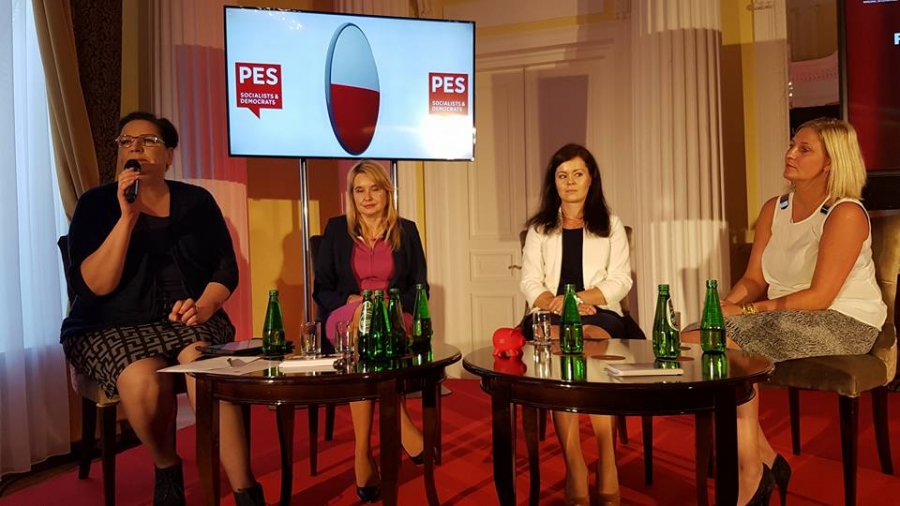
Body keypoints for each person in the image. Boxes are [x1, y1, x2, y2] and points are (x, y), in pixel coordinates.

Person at [60, 112, 263, 506]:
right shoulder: (95, 204)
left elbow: (225, 269)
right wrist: (127, 218)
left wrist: (204, 306)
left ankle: (246, 489)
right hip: (110, 325)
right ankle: (167, 464)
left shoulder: (197, 201)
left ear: (169, 155)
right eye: (126, 141)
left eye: (148, 140)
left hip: (190, 320)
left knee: (203, 368)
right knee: (143, 382)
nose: (135, 147)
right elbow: (93, 287)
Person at [689, 118, 886, 505]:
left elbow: (819, 297)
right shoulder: (773, 209)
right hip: (778, 313)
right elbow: (754, 278)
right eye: (792, 144)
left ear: (830, 162)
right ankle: (763, 458)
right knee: (695, 336)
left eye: (804, 149)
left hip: (844, 321)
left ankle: (750, 473)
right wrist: (725, 306)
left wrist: (746, 312)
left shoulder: (845, 212)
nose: (790, 153)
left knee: (723, 346)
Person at [520, 143, 632, 505]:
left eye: (577, 174)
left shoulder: (610, 225)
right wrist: (558, 303)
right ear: (554, 182)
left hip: (598, 311)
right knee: (556, 344)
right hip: (550, 311)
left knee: (591, 341)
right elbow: (529, 281)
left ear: (591, 178)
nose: (570, 182)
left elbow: (621, 280)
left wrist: (578, 299)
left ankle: (608, 459)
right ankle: (576, 465)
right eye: (562, 175)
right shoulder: (540, 229)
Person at [313, 160, 428, 503]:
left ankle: (363, 454)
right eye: (359, 190)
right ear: (351, 195)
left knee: (374, 328)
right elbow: (322, 289)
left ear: (387, 192)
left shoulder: (406, 230)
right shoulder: (337, 230)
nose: (367, 197)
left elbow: (419, 287)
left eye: (374, 189)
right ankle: (394, 430)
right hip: (346, 316)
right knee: (362, 326)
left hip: (394, 314)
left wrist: (387, 305)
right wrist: (353, 301)